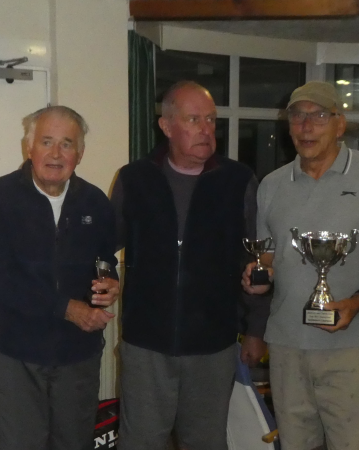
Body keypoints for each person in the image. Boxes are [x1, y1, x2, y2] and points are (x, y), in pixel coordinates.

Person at [243, 81, 359, 450]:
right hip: (287, 345)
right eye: (297, 116)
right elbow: (269, 257)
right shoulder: (272, 186)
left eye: (319, 115)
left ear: (340, 124)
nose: (307, 126)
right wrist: (259, 275)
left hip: (352, 346)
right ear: (288, 125)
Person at [111, 80, 269, 450]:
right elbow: (103, 248)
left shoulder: (237, 181)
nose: (206, 130)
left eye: (211, 120)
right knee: (141, 442)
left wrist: (255, 327)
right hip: (146, 343)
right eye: (194, 119)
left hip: (213, 344)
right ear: (166, 126)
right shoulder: (134, 178)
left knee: (206, 442)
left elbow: (257, 260)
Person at [0, 106, 119, 450]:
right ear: (30, 148)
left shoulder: (95, 201)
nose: (56, 153)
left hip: (78, 355)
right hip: (15, 354)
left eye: (67, 144)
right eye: (47, 141)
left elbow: (105, 259)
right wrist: (65, 308)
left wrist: (110, 282)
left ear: (80, 153)